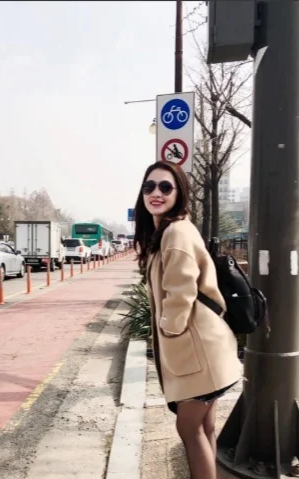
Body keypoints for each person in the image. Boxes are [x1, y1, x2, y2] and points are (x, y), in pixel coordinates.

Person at [134, 160, 242, 479]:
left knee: (189, 428)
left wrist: (169, 329)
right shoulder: (171, 231)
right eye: (149, 186)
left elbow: (180, 291)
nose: (156, 193)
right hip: (206, 348)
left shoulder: (176, 232)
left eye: (165, 187)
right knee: (204, 427)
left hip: (197, 352)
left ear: (179, 193)